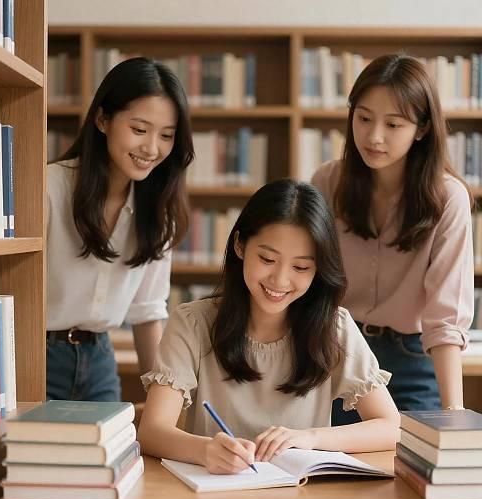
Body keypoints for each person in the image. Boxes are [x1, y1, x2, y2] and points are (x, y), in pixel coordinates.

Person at [139, 179, 400, 475]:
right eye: (267, 258)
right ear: (239, 245)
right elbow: (152, 431)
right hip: (214, 494)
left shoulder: (334, 327)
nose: (279, 280)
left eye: (300, 267)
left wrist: (310, 438)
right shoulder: (192, 323)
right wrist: (204, 450)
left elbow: (391, 427)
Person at [312, 54, 474, 425]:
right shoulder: (326, 184)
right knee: (332, 471)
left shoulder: (448, 198)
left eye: (393, 124)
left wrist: (452, 416)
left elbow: (445, 319)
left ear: (421, 129)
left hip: (413, 361)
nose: (374, 136)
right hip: (338, 352)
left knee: (413, 470)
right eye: (364, 118)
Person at [46, 57, 194, 401]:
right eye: (139, 130)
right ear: (102, 119)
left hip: (99, 360)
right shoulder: (49, 189)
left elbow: (147, 314)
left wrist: (161, 407)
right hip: (34, 353)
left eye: (167, 135)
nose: (152, 148)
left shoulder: (159, 211)